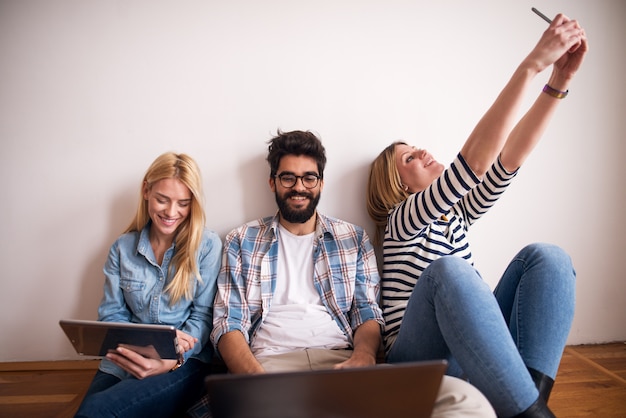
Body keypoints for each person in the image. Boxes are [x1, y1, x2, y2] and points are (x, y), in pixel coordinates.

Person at [366, 13, 587, 418]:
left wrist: (558, 82)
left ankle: (530, 405)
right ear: (396, 186)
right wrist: (532, 64)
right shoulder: (401, 222)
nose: (425, 152)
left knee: (547, 257)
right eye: (410, 158)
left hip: (472, 350)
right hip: (417, 362)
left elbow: (509, 157)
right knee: (449, 271)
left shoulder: (457, 215)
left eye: (418, 146)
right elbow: (476, 163)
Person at [207, 130, 495, 417]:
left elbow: (367, 311)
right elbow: (228, 324)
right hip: (270, 366)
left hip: (341, 363)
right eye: (288, 178)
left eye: (309, 177)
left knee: (465, 400)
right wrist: (256, 382)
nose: (299, 187)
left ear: (320, 183)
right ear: (273, 182)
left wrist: (363, 356)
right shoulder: (242, 240)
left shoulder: (352, 238)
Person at [75, 152, 222, 418]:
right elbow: (111, 315)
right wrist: (140, 349)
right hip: (122, 361)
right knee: (89, 413)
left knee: (98, 412)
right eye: (162, 200)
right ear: (146, 191)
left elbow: (203, 318)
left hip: (181, 364)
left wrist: (170, 356)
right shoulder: (122, 248)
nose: (171, 212)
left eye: (183, 203)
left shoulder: (207, 246)